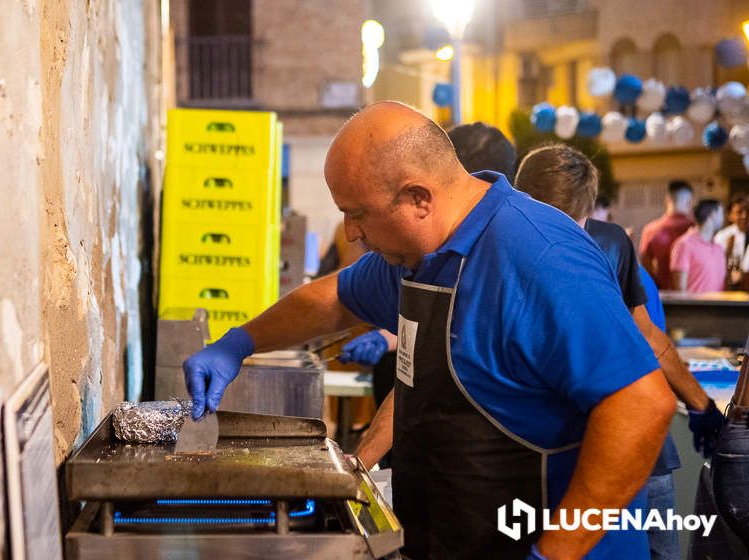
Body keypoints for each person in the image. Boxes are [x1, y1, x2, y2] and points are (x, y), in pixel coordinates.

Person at [183, 102, 675, 559]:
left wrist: (553, 554)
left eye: (358, 214)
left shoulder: (540, 257)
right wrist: (238, 342)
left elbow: (642, 406)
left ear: (418, 198)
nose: (351, 233)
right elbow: (334, 298)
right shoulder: (420, 255)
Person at [515, 143, 725, 560]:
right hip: (634, 449)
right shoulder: (608, 240)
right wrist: (699, 405)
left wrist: (700, 406)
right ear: (589, 206)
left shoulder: (505, 251)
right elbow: (647, 335)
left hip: (566, 457)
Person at [338, 122, 518, 419]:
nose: (351, 233)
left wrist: (388, 338)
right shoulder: (414, 248)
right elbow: (339, 291)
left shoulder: (511, 254)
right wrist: (241, 342)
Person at [640, 180, 695, 289]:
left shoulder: (650, 230)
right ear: (689, 202)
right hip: (692, 295)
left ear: (667, 200)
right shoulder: (694, 229)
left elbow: (645, 266)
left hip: (662, 294)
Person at [669, 199, 726, 293]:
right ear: (712, 215)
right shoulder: (684, 244)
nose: (724, 217)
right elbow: (680, 289)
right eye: (721, 213)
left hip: (719, 306)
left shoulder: (718, 247)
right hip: (695, 307)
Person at [713, 194, 748, 289]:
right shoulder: (722, 236)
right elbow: (715, 265)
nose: (745, 216)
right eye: (739, 212)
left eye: (748, 211)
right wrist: (728, 251)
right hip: (727, 286)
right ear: (730, 216)